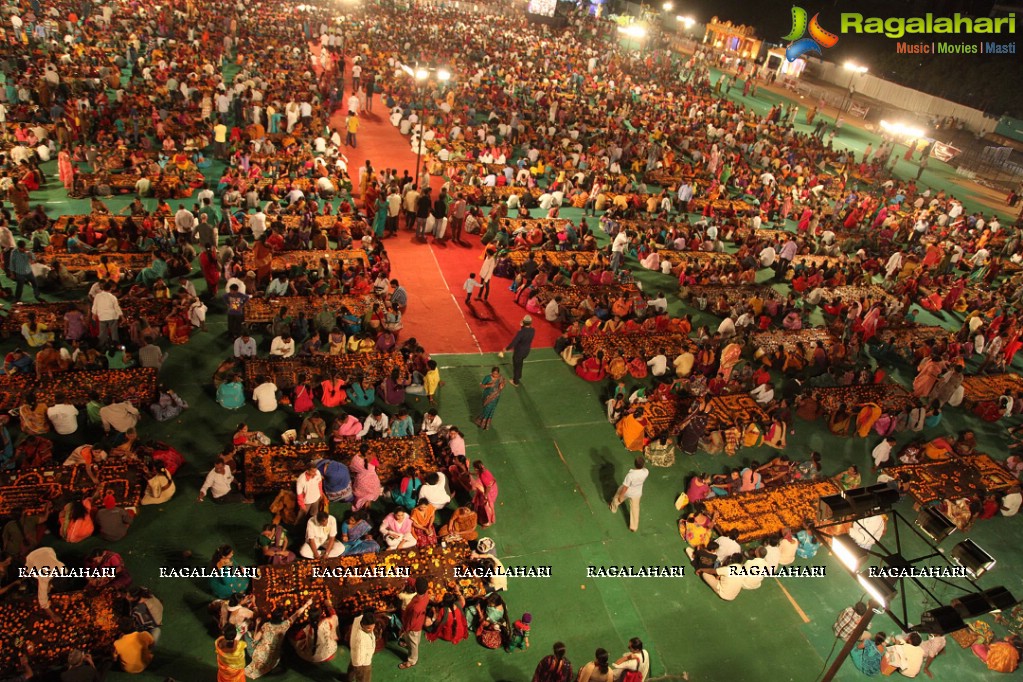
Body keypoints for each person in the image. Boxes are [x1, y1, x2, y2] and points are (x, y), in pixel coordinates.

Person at [245, 599, 313, 678]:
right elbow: (297, 614)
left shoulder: (266, 625)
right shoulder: (284, 625)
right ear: (281, 618)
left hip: (259, 655)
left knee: (247, 635)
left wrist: (257, 624)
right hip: (274, 658)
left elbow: (255, 639)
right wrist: (307, 604)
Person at [400, 577, 432, 669]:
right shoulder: (425, 594)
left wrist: (404, 628)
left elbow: (411, 622)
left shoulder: (416, 607)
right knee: (413, 638)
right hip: (419, 620)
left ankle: (412, 660)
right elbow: (416, 583)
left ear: (416, 588)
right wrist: (407, 578)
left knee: (413, 642)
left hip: (413, 626)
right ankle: (407, 643)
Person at [610, 456, 649, 532]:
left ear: (634, 464)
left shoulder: (630, 475)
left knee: (616, 497)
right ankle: (633, 527)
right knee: (635, 509)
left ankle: (613, 508)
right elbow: (644, 468)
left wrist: (621, 497)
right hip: (637, 493)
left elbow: (625, 487)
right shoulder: (646, 472)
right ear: (643, 465)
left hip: (628, 492)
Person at [501, 315, 536, 386]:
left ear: (523, 322)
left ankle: (515, 381)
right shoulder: (533, 330)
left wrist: (506, 349)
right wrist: (522, 326)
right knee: (520, 363)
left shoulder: (521, 332)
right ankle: (519, 376)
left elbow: (514, 342)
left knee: (516, 366)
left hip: (519, 352)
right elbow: (527, 331)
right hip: (526, 351)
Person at [348, 610, 377, 682]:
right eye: (368, 628)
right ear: (363, 624)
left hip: (355, 654)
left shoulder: (358, 619)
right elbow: (359, 660)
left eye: (373, 626)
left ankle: (348, 678)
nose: (371, 630)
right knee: (364, 678)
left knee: (352, 666)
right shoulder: (360, 639)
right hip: (362, 662)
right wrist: (359, 667)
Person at [470, 460, 499, 527]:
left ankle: (488, 522)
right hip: (487, 489)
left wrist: (485, 496)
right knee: (482, 504)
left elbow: (488, 487)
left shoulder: (483, 475)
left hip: (490, 492)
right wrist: (470, 473)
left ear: (476, 468)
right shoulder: (483, 470)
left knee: (487, 506)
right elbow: (477, 474)